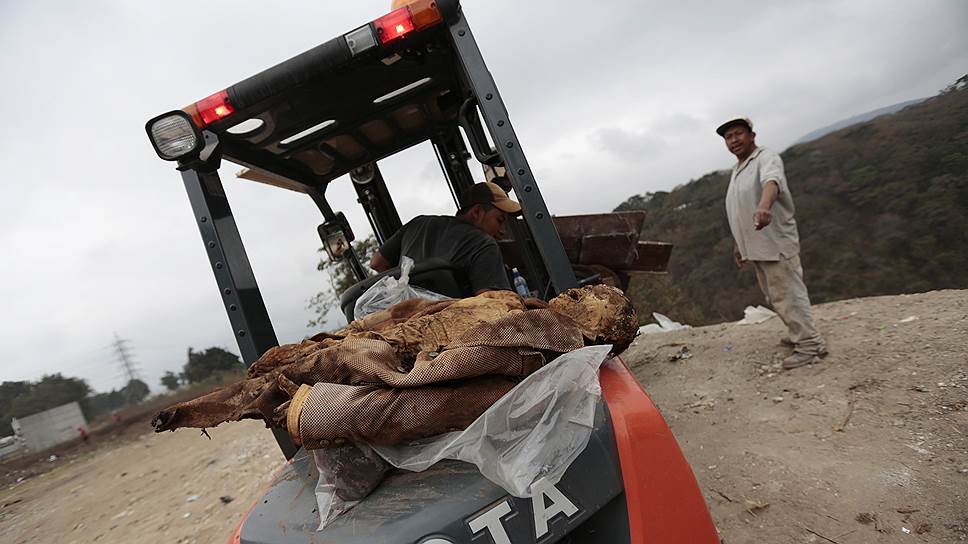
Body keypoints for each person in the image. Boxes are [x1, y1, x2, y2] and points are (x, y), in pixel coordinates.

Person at [717, 117, 827, 369]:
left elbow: (772, 182)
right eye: (728, 137)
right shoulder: (739, 168)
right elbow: (739, 211)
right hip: (756, 246)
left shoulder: (766, 158)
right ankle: (799, 333)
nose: (733, 140)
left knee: (788, 293)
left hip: (774, 242)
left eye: (738, 134)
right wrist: (738, 245)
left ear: (752, 136)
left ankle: (810, 345)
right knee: (776, 295)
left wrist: (764, 207)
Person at [369, 181, 521, 295]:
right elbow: (491, 306)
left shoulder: (419, 223)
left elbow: (376, 263)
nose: (502, 231)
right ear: (477, 213)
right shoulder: (484, 244)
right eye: (500, 220)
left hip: (408, 323)